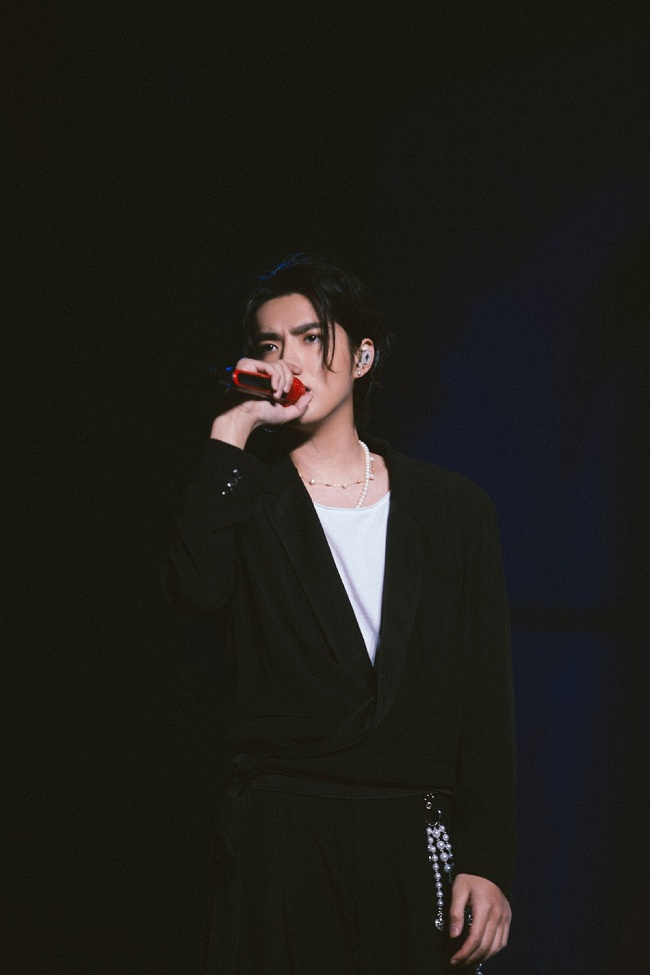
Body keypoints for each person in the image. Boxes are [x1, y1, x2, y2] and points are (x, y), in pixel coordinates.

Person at [164, 254, 516, 974]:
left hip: (409, 833)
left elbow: (486, 697)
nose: (288, 359)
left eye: (309, 337)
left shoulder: (453, 510)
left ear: (362, 356)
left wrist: (487, 860)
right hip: (282, 837)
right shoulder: (244, 499)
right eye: (269, 344)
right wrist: (233, 429)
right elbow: (194, 590)